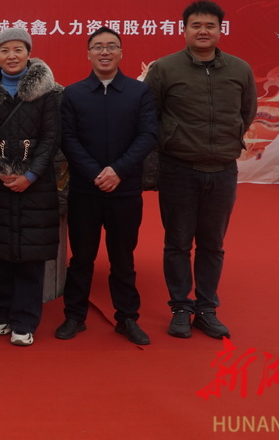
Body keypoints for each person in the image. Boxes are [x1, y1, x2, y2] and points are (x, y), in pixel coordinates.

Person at [145, 0, 256, 340]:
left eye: (210, 25)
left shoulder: (240, 69)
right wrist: (174, 140)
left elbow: (247, 112)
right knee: (177, 242)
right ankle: (181, 307)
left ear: (220, 30)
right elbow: (150, 114)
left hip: (222, 170)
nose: (203, 31)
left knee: (212, 244)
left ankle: (207, 309)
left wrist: (227, 140)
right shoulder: (164, 69)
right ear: (184, 30)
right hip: (178, 169)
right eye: (196, 25)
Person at [56, 27, 157, 345]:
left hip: (125, 190)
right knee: (81, 258)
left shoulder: (139, 93)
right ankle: (74, 316)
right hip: (85, 191)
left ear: (121, 53)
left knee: (123, 258)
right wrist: (94, 173)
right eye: (98, 46)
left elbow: (147, 136)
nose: (105, 51)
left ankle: (127, 318)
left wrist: (118, 171)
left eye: (111, 46)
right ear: (88, 54)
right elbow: (67, 139)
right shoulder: (73, 94)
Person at [0, 27, 61, 347]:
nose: (12, 56)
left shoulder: (46, 92)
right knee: (2, 251)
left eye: (18, 49)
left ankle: (25, 319)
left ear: (28, 53)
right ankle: (6, 313)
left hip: (35, 185)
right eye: (5, 50)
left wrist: (31, 175)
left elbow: (51, 138)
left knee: (30, 253)